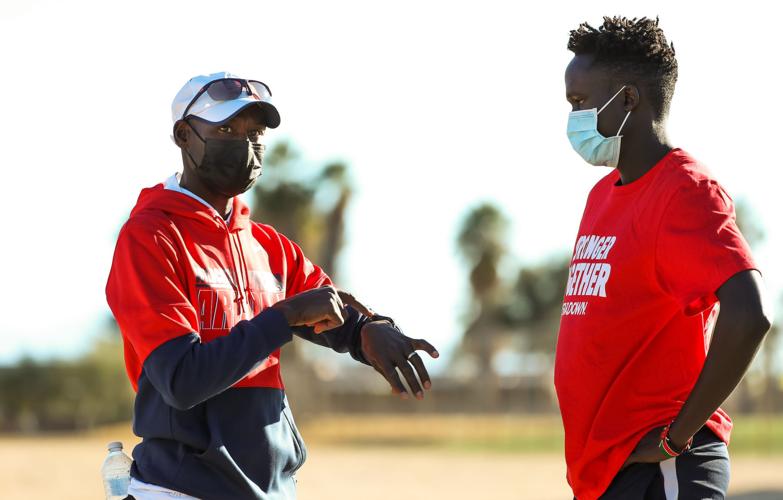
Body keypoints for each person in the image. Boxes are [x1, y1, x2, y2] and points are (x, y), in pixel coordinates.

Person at [106, 72, 439, 500]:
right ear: (184, 135)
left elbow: (330, 310)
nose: (245, 145)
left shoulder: (267, 245)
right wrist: (285, 316)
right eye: (227, 130)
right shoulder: (150, 237)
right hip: (179, 490)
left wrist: (367, 331)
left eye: (255, 133)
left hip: (272, 490)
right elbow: (182, 380)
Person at [556, 17, 772, 499]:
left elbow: (750, 312)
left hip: (661, 468)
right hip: (607, 469)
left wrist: (677, 437)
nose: (573, 118)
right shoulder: (601, 196)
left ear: (628, 99)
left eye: (580, 102)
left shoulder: (685, 191)